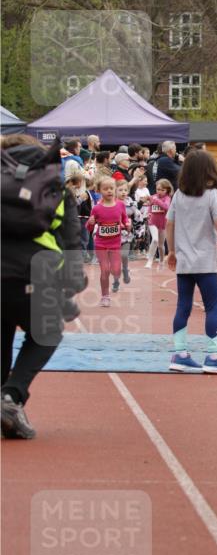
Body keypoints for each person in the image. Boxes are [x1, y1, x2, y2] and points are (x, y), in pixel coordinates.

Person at [2, 134, 86, 439]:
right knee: (47, 332)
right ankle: (11, 397)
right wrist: (73, 282)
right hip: (34, 272)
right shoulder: (54, 187)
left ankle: (4, 403)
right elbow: (72, 239)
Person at [166, 149, 217, 373]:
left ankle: (179, 353)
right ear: (209, 171)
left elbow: (169, 224)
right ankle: (213, 356)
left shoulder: (178, 196)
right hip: (205, 262)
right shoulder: (212, 195)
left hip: (184, 261)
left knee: (183, 306)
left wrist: (171, 251)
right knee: (212, 307)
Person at [86, 176, 129, 307]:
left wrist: (127, 224)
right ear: (99, 190)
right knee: (104, 270)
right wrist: (90, 222)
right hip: (101, 244)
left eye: (112, 188)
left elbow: (125, 219)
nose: (109, 191)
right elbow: (89, 228)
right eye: (106, 189)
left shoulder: (121, 205)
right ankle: (105, 296)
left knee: (116, 271)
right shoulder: (96, 209)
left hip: (115, 244)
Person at [112, 181, 139, 291]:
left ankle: (125, 270)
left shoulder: (130, 202)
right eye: (120, 190)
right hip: (113, 234)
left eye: (125, 190)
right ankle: (116, 281)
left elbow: (137, 214)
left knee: (123, 255)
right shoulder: (111, 202)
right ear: (115, 191)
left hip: (126, 234)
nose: (123, 192)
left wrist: (136, 216)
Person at [145, 179, 172, 269]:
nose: (159, 192)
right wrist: (148, 213)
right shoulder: (153, 197)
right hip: (152, 222)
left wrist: (156, 201)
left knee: (161, 245)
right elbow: (150, 206)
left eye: (162, 190)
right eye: (158, 189)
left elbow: (166, 207)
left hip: (162, 224)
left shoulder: (167, 198)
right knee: (155, 240)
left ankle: (161, 261)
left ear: (167, 190)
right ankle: (150, 260)